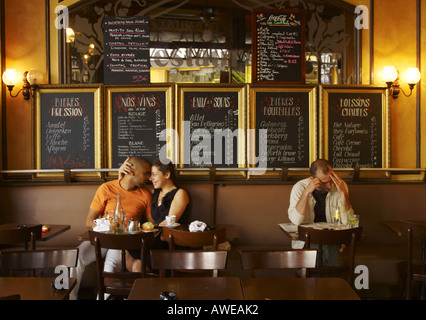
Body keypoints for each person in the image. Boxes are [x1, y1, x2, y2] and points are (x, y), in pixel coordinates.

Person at [70, 156, 152, 300]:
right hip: (102, 237)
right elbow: (89, 221)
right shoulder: (106, 188)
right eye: (146, 173)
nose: (149, 177)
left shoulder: (145, 195)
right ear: (132, 172)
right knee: (74, 258)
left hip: (123, 241)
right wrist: (105, 227)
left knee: (109, 267)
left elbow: (151, 224)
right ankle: (69, 297)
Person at [120, 157, 189, 272]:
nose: (150, 178)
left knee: (135, 260)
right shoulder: (154, 192)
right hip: (153, 241)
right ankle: (144, 286)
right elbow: (129, 187)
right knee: (127, 252)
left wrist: (146, 232)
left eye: (154, 174)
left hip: (169, 243)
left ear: (167, 175)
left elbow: (169, 222)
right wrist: (121, 174)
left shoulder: (180, 193)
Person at [288, 159, 355, 266]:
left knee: (328, 245)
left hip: (332, 239)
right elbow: (296, 220)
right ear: (312, 179)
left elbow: (348, 220)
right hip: (307, 239)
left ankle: (331, 280)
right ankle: (322, 279)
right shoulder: (299, 188)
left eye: (331, 180)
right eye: (324, 182)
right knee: (319, 247)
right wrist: (306, 193)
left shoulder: (340, 186)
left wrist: (343, 193)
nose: (329, 186)